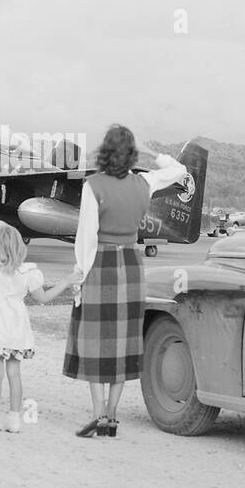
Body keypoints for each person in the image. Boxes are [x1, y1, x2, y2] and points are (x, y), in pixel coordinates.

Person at [64, 124, 190, 438]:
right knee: (121, 341)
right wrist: (153, 153)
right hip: (131, 266)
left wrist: (78, 282)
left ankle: (97, 415)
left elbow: (85, 239)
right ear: (132, 153)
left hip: (100, 264)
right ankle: (112, 417)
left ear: (105, 152)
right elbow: (179, 170)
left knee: (96, 341)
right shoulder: (144, 181)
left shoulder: (92, 185)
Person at [0, 221, 79, 434]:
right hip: (16, 328)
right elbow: (43, 298)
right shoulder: (29, 273)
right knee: (14, 374)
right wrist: (66, 282)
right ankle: (15, 420)